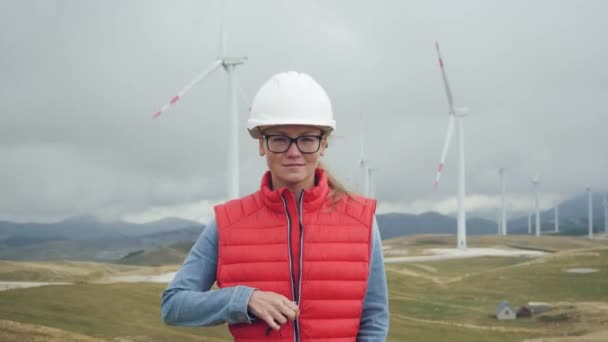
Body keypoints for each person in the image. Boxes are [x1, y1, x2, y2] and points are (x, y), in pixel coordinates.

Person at [161, 71, 389, 341]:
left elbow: (374, 318)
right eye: (279, 139)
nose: (293, 152)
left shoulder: (361, 219)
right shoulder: (227, 223)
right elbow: (174, 305)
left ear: (324, 143)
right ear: (261, 144)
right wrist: (243, 300)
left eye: (306, 139)